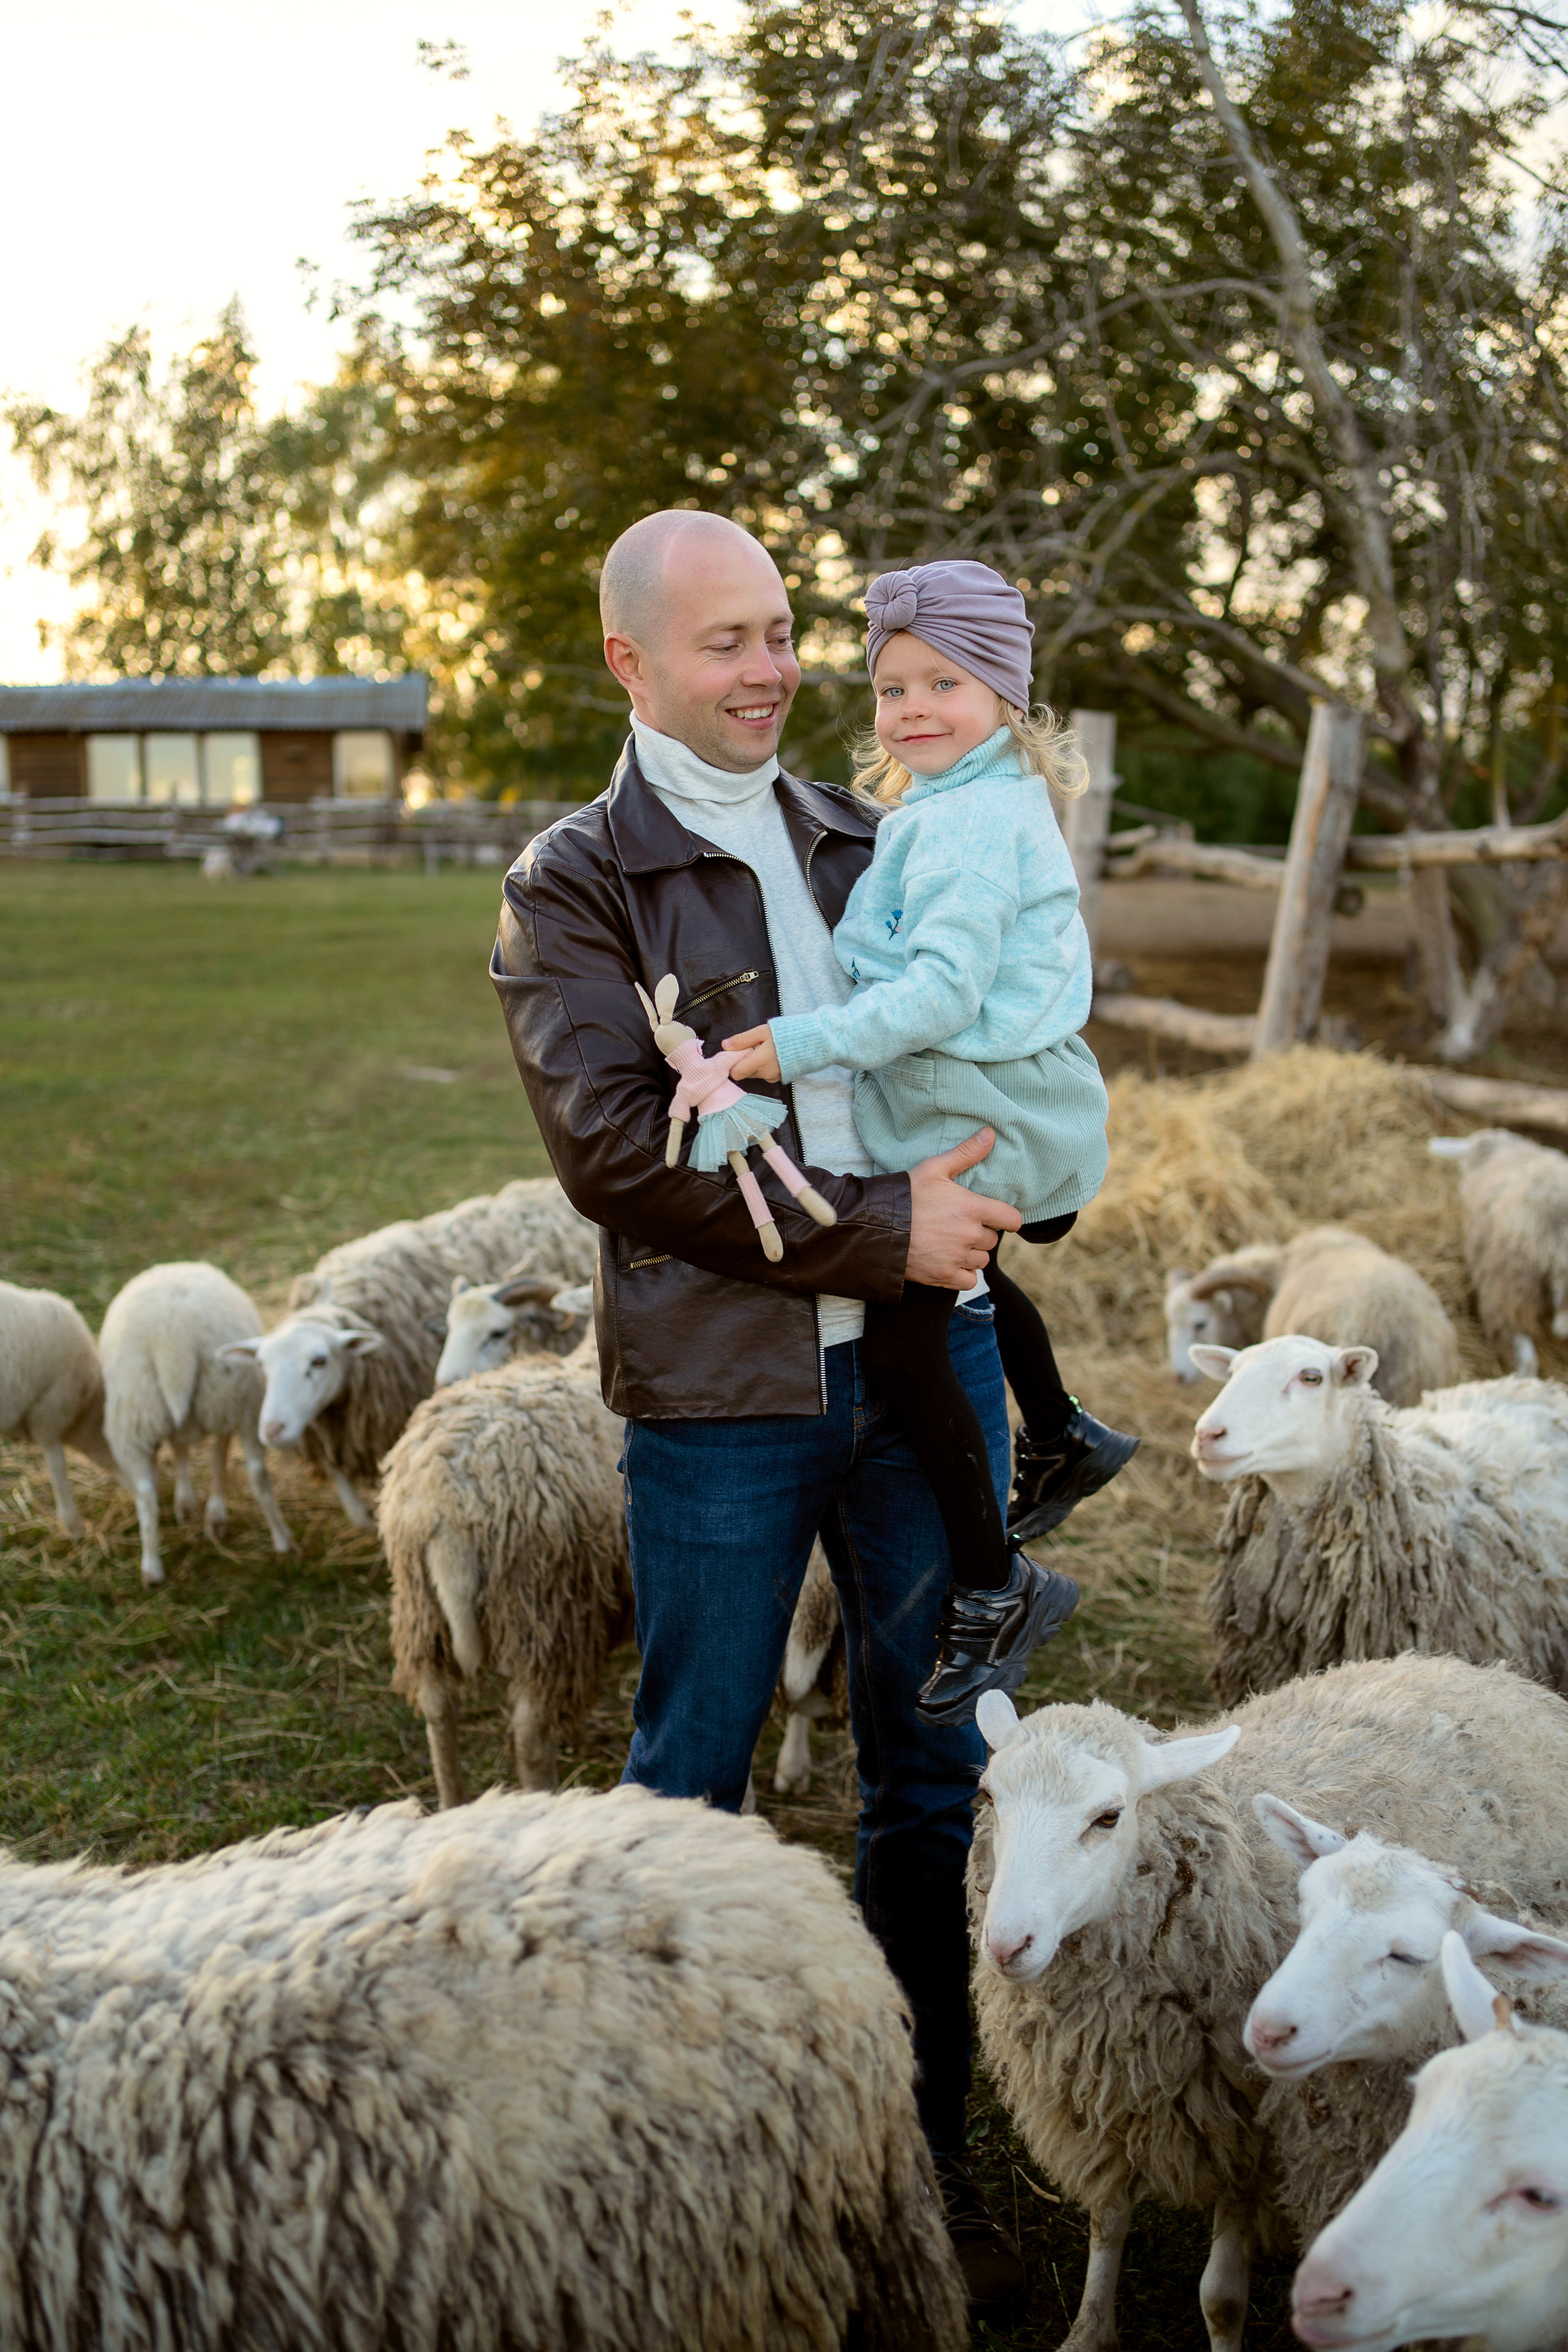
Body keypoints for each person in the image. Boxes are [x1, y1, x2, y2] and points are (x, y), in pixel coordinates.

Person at [490, 508, 1028, 2320]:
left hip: (935, 1366)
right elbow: (616, 1153)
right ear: (631, 662)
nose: (773, 668)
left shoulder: (872, 828)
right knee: (692, 1783)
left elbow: (978, 1035)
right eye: (726, 639)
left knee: (932, 1772)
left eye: (785, 630)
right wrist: (886, 1230)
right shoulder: (576, 883)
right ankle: (683, 2172)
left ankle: (913, 2152)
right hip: (723, 1397)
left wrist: (1017, 1172)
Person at [725, 559, 1137, 1724]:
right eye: (892, 687)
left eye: (943, 684)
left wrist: (796, 1044)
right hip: (992, 1095)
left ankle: (998, 1584)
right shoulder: (962, 802)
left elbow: (945, 992)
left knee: (908, 1340)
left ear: (1005, 693)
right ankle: (1062, 1431)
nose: (911, 709)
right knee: (969, 1272)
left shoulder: (969, 827)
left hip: (982, 1102)